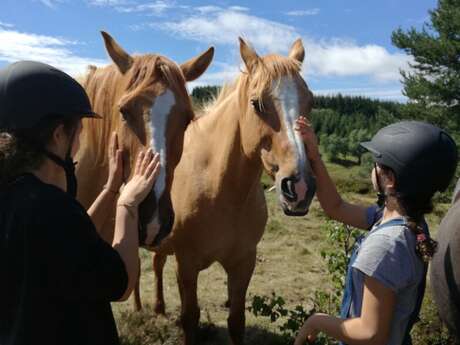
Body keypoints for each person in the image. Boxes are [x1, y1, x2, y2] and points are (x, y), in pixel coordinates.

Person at [0, 61, 160, 345]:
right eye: (79, 129)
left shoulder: (18, 198)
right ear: (59, 135)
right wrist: (127, 205)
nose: (82, 139)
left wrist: (111, 189)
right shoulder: (50, 208)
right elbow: (121, 284)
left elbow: (71, 241)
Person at [293, 117, 457, 345]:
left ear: (389, 179)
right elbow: (335, 207)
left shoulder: (385, 245)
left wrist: (316, 321)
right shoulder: (409, 222)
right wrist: (314, 157)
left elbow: (370, 334)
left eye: (376, 163)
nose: (373, 167)